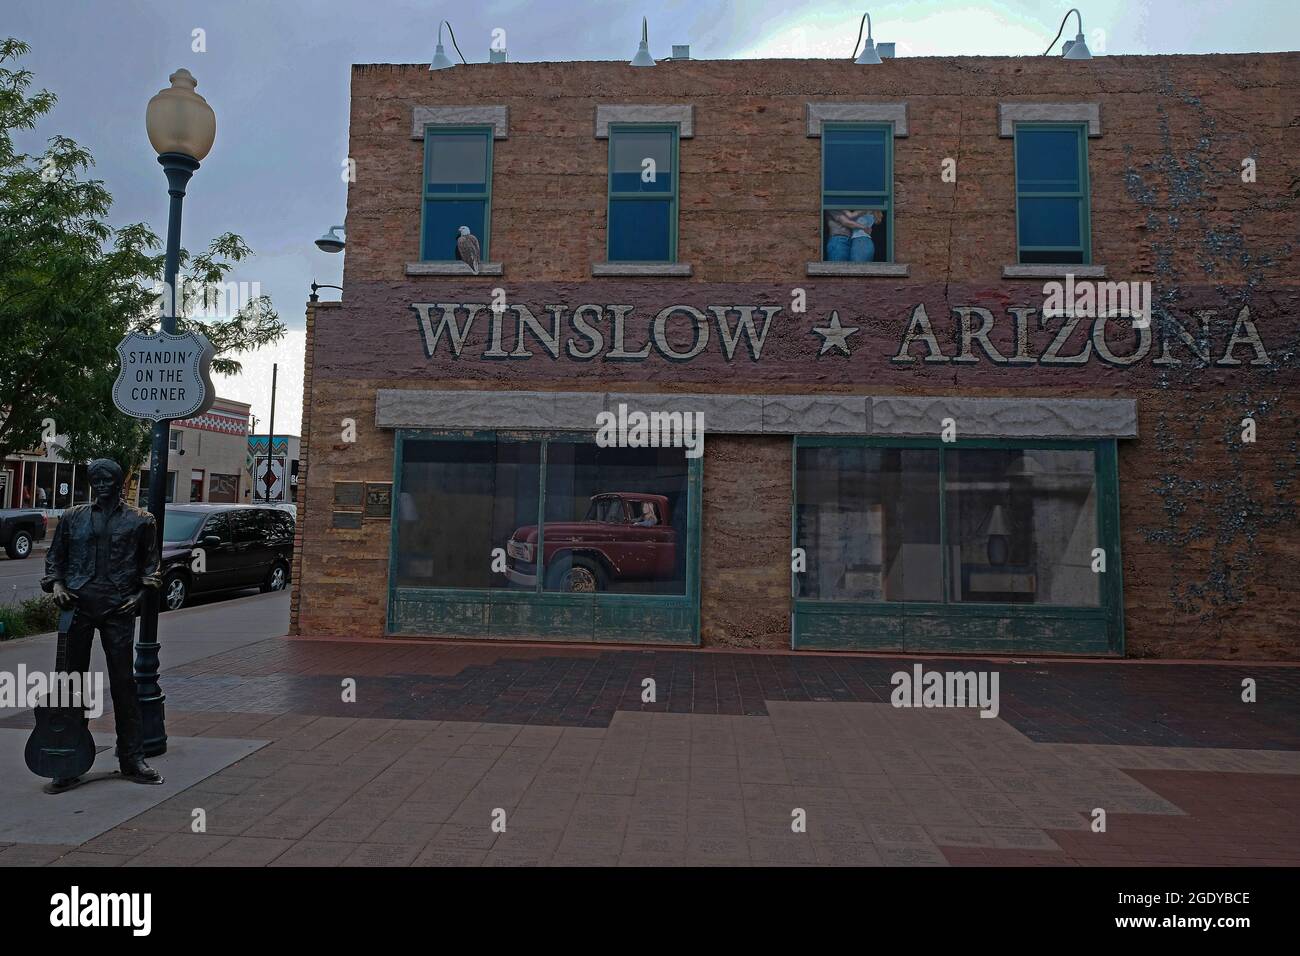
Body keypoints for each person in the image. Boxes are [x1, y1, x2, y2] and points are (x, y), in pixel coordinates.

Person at [41, 458, 162, 790]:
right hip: (77, 605)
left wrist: (137, 597)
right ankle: (67, 758)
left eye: (108, 478)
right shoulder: (72, 517)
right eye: (96, 478)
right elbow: (55, 559)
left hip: (117, 606)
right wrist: (58, 586)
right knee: (70, 683)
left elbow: (151, 568)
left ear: (120, 481)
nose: (102, 483)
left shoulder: (141, 521)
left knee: (124, 682)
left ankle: (131, 757)